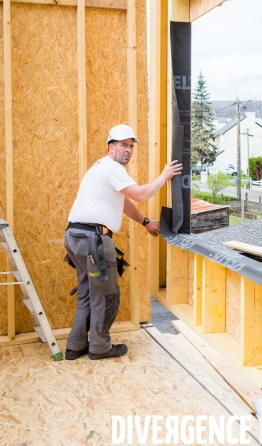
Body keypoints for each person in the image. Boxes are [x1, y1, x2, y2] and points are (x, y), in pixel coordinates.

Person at [64, 124, 182, 361]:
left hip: (76, 236)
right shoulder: (111, 168)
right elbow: (139, 194)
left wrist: (145, 221)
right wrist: (164, 175)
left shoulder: (102, 167)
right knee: (106, 296)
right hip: (93, 239)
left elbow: (126, 201)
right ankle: (100, 347)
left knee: (87, 293)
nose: (128, 151)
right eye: (123, 146)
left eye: (130, 147)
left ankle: (75, 346)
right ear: (111, 147)